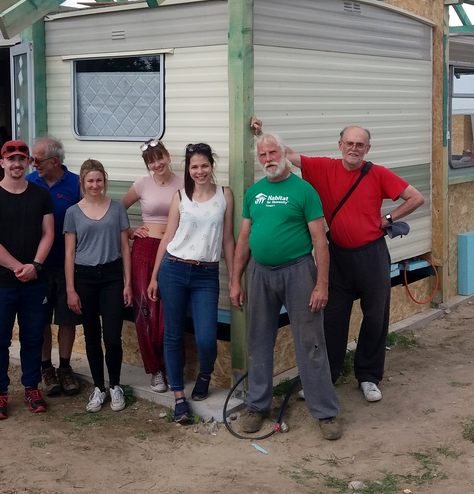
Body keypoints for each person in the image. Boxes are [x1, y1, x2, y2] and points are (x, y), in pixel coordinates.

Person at [252, 117, 425, 405]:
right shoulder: (324, 167)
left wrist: (388, 219)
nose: (353, 149)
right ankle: (326, 378)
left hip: (371, 254)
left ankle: (368, 376)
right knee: (332, 319)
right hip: (338, 257)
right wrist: (261, 132)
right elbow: (286, 154)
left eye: (359, 144)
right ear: (340, 145)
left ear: (367, 149)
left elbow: (415, 197)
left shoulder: (378, 173)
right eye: (349, 143)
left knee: (375, 316)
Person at [229, 133, 342, 441]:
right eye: (263, 154)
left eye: (273, 152)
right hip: (259, 273)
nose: (268, 158)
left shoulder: (304, 191)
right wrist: (235, 280)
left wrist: (321, 284)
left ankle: (325, 411)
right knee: (258, 340)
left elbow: (320, 240)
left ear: (284, 153)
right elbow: (243, 240)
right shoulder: (254, 193)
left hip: (298, 272)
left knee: (311, 342)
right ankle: (257, 406)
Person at [147, 143, 234, 423]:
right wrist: (154, 276)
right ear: (188, 168)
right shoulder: (180, 196)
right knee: (172, 334)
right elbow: (168, 237)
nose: (199, 171)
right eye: (194, 167)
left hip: (206, 275)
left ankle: (205, 374)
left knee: (207, 338)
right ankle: (179, 399)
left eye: (204, 165)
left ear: (212, 166)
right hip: (174, 269)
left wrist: (234, 279)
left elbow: (228, 240)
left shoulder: (225, 195)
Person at [0, 139, 55, 419]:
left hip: (35, 280)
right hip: (1, 282)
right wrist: (18, 267)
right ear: (2, 163)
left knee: (33, 337)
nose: (17, 164)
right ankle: (0, 394)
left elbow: (48, 233)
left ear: (29, 163)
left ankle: (32, 388)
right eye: (12, 159)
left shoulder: (40, 195)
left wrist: (35, 265)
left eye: (22, 159)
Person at [65, 159, 133, 413]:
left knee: (112, 337)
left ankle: (115, 385)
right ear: (82, 183)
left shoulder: (116, 209)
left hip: (112, 276)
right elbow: (69, 253)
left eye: (99, 180)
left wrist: (128, 283)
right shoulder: (73, 212)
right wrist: (71, 289)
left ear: (105, 180)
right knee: (92, 336)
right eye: (90, 181)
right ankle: (98, 387)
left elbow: (125, 246)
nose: (95, 185)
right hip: (84, 278)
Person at [121, 140, 182, 393]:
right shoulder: (142, 184)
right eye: (151, 162)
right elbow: (117, 209)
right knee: (146, 308)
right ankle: (155, 369)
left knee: (171, 309)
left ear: (168, 156)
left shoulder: (184, 183)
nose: (156, 165)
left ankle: (171, 367)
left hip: (176, 249)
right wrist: (131, 231)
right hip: (145, 250)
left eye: (159, 158)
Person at [27, 136, 82, 398]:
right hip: (38, 265)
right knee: (41, 320)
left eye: (37, 160)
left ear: (55, 161)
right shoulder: (28, 182)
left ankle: (66, 367)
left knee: (66, 319)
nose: (32, 164)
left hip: (67, 265)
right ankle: (46, 369)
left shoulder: (76, 184)